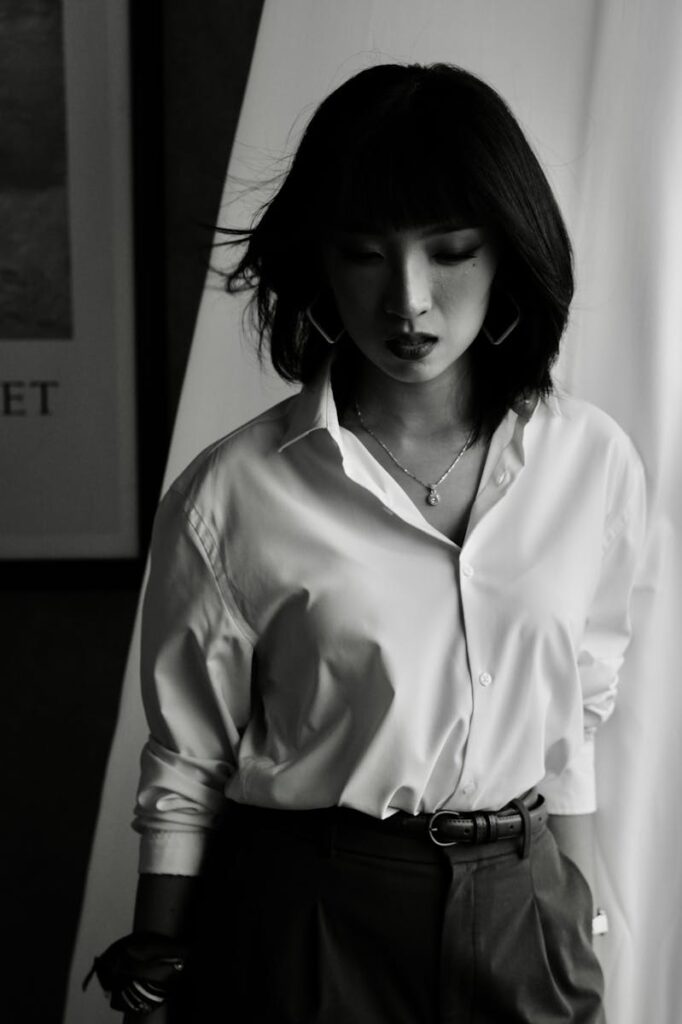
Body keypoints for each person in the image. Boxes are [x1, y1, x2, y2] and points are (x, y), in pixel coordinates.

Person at [91, 63, 646, 1023]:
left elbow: (577, 716)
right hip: (316, 916)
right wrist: (158, 968)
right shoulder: (233, 495)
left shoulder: (590, 460)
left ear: (509, 253)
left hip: (527, 904)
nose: (409, 301)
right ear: (320, 262)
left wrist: (584, 921)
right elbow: (187, 762)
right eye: (364, 254)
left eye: (452, 251)